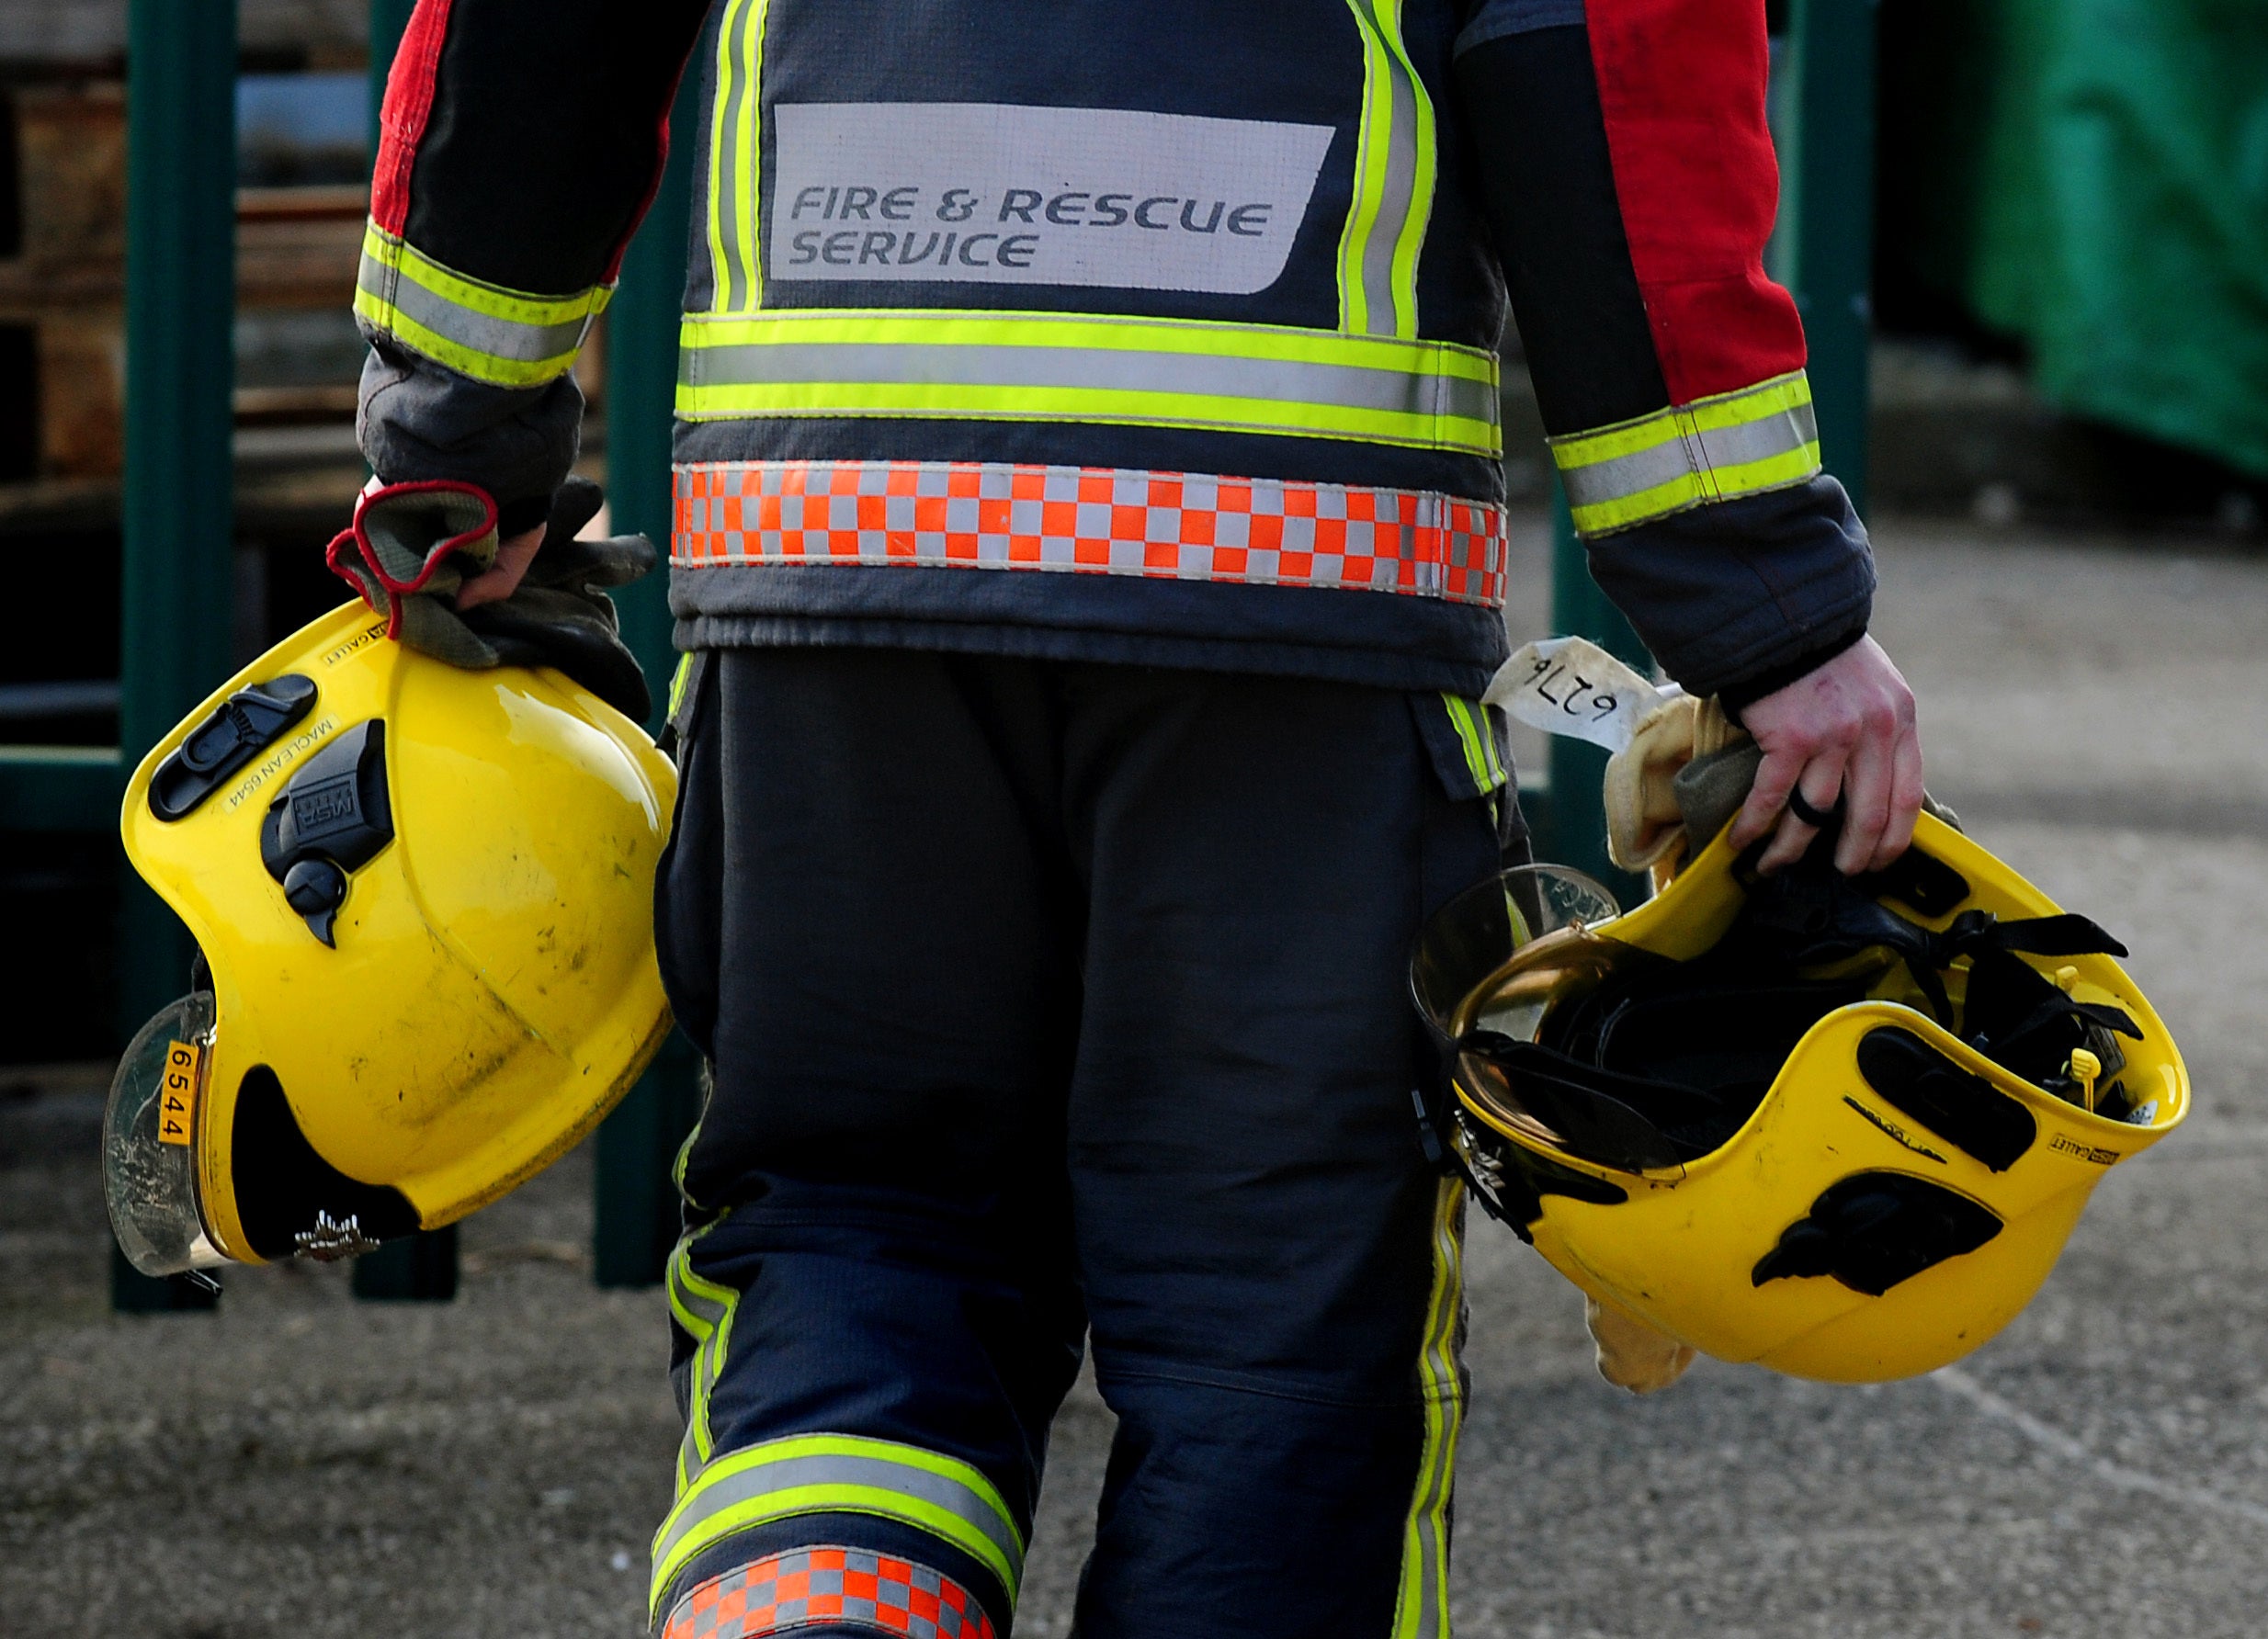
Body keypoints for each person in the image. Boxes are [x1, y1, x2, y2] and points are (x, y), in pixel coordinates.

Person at [352, 1, 1922, 1633]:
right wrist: (1763, 607)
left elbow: (524, 48)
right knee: (1278, 1318)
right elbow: (1607, 60)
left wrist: (454, 439)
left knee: (853, 1229)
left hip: (841, 537)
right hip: (1286, 580)